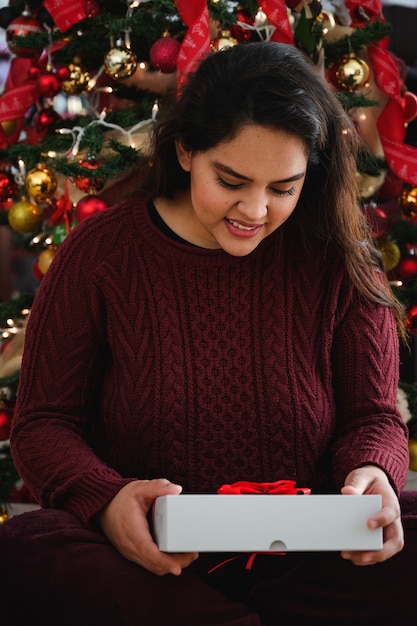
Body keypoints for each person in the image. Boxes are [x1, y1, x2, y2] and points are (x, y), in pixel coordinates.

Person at [0, 40, 416, 626]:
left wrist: (373, 473)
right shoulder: (100, 256)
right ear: (187, 150)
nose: (255, 210)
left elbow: (373, 418)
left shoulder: (340, 259)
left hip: (309, 552)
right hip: (148, 559)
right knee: (25, 550)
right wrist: (108, 499)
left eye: (283, 188)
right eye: (232, 180)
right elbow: (43, 426)